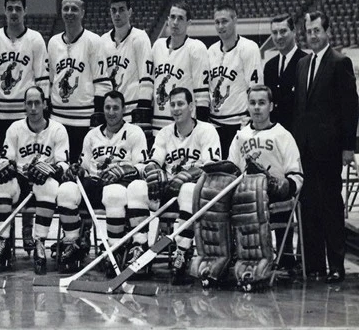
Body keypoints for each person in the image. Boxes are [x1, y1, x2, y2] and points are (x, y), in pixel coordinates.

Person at [192, 85, 304, 288]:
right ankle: (219, 258)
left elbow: (296, 177)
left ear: (271, 106)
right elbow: (231, 171)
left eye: (262, 103)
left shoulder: (283, 135)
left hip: (273, 195)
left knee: (253, 196)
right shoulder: (241, 136)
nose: (257, 107)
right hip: (244, 195)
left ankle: (259, 264)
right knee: (210, 193)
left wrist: (276, 184)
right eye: (252, 103)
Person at [293, 11, 358, 283]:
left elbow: (350, 108)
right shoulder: (302, 64)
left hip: (330, 149)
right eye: (309, 31)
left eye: (317, 30)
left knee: (331, 206)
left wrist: (348, 147)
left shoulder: (340, 62)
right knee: (309, 207)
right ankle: (315, 265)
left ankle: (336, 265)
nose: (313, 36)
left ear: (327, 32)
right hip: (305, 149)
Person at [0, 0, 49, 254]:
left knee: (30, 172)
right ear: (4, 11)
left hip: (26, 115)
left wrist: (42, 113)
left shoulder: (35, 39)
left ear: (25, 11)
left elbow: (41, 79)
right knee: (4, 176)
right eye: (9, 8)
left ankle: (27, 231)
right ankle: (4, 236)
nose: (13, 13)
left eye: (18, 8)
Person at [55, 90, 149, 273]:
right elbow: (84, 166)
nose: (111, 112)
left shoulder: (135, 132)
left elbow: (142, 166)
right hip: (95, 184)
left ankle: (115, 248)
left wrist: (125, 169)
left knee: (114, 192)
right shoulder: (92, 135)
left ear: (124, 110)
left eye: (115, 108)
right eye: (107, 107)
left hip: (121, 187)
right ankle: (73, 243)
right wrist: (77, 170)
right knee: (66, 189)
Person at [139, 86, 221, 284]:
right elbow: (154, 161)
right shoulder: (164, 133)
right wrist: (153, 170)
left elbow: (213, 167)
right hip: (168, 190)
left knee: (188, 189)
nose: (176, 109)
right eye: (173, 105)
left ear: (191, 106)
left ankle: (182, 251)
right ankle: (138, 247)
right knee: (136, 188)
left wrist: (188, 175)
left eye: (180, 104)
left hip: (197, 193)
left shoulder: (207, 130)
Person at [0, 86, 69, 275]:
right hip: (21, 181)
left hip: (44, 181)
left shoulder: (58, 129)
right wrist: (6, 166)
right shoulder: (15, 128)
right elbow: (4, 158)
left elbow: (64, 163)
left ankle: (40, 242)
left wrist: (51, 169)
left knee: (49, 186)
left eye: (37, 103)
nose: (33, 108)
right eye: (29, 103)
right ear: (24, 105)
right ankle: (3, 241)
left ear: (44, 104)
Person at [48, 0, 112, 163]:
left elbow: (102, 83)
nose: (69, 12)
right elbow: (51, 81)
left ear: (82, 12)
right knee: (59, 167)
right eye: (66, 8)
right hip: (57, 119)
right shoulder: (53, 42)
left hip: (84, 120)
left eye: (74, 9)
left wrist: (97, 119)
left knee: (83, 168)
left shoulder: (94, 41)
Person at [149, 2, 210, 143]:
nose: (175, 22)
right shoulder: (157, 46)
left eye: (180, 18)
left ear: (189, 23)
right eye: (172, 17)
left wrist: (200, 129)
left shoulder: (196, 48)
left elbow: (202, 95)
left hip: (184, 127)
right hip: (157, 125)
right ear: (167, 20)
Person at [208, 4, 262, 156]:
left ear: (235, 20)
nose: (220, 26)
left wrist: (251, 118)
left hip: (238, 123)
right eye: (217, 22)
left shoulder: (249, 48)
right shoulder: (211, 51)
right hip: (214, 124)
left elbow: (256, 87)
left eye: (224, 21)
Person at [101, 0, 153, 131]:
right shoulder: (103, 41)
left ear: (130, 12)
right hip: (111, 113)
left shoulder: (140, 38)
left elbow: (146, 78)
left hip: (132, 112)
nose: (117, 14)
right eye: (114, 10)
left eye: (121, 9)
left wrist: (143, 111)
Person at [263, 14, 305, 131]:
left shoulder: (306, 62)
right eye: (274, 33)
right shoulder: (269, 66)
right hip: (275, 133)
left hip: (299, 133)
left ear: (294, 31)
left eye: (283, 31)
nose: (279, 37)